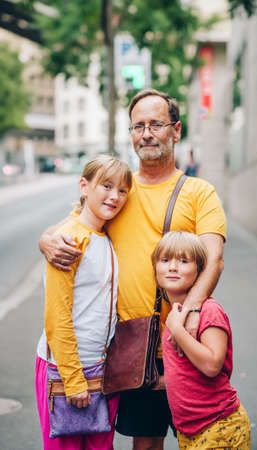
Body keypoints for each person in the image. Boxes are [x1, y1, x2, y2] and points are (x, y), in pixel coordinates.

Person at [39, 89, 226, 450]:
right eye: (138, 126)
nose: (146, 133)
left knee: (205, 439)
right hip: (136, 351)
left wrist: (189, 314)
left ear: (176, 130)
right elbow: (74, 227)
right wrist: (45, 239)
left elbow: (213, 259)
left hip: (189, 344)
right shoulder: (119, 191)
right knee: (146, 444)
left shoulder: (199, 192)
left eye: (156, 124)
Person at [35, 155, 132, 450]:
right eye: (106, 185)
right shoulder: (69, 241)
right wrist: (74, 379)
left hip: (103, 369)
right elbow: (57, 315)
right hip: (64, 369)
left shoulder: (108, 235)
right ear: (84, 186)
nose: (115, 196)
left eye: (123, 190)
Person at [152, 231, 251, 449]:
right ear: (155, 268)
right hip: (190, 431)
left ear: (199, 271)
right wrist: (158, 382)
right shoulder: (174, 312)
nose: (173, 267)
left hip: (218, 425)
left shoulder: (208, 310)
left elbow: (211, 365)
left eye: (184, 261)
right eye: (165, 260)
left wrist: (177, 329)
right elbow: (185, 371)